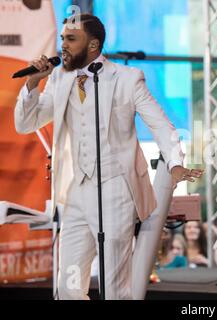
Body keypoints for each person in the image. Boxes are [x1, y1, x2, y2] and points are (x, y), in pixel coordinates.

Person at [14, 14, 203, 299]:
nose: (63, 45)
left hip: (115, 189)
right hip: (76, 189)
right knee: (68, 285)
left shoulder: (126, 79)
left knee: (115, 287)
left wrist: (175, 162)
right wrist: (32, 86)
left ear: (93, 45)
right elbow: (26, 124)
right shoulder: (59, 78)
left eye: (71, 39)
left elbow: (161, 125)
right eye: (62, 38)